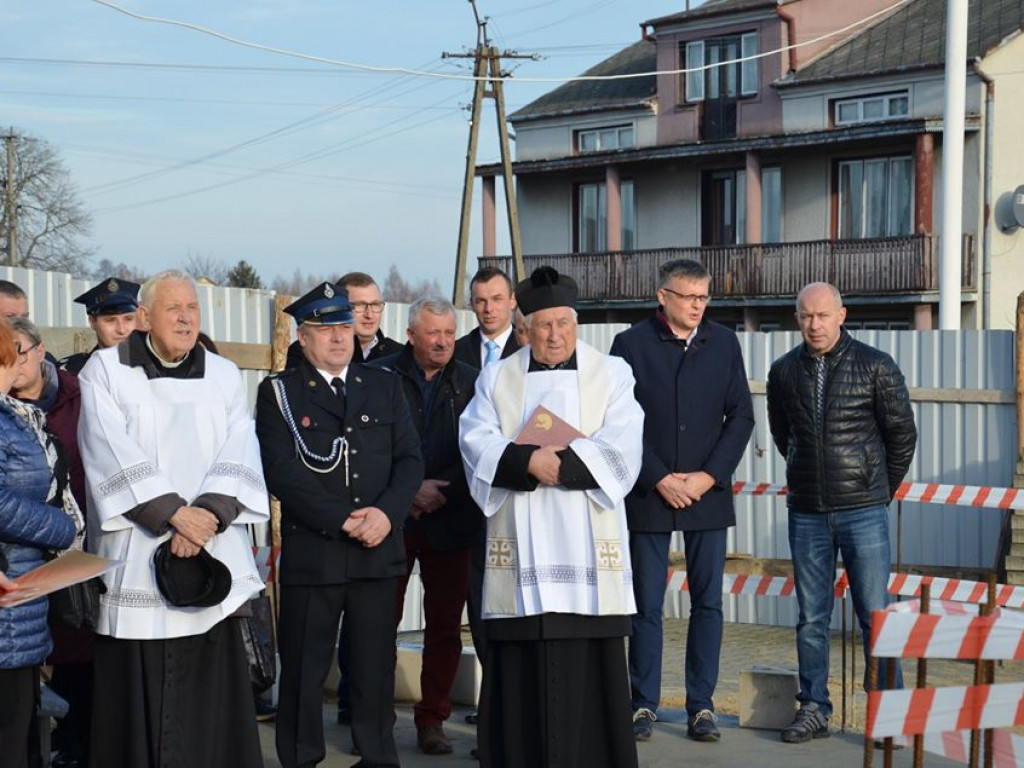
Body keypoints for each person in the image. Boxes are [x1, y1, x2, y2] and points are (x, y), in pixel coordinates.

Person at [77, 270, 269, 768]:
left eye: (192, 309)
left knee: (212, 690)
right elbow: (106, 450)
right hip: (141, 552)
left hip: (212, 545)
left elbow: (241, 448)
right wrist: (173, 517)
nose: (185, 318)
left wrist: (207, 515)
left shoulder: (224, 374)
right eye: (173, 309)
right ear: (144, 317)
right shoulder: (105, 371)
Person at [459, 266, 645, 768]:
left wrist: (560, 464)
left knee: (596, 674)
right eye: (543, 325)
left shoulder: (612, 373)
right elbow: (475, 439)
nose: (555, 334)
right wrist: (525, 462)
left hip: (588, 546)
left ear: (576, 321)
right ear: (525, 326)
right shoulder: (498, 376)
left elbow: (625, 441)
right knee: (518, 669)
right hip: (521, 550)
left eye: (564, 323)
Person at [256, 281, 423, 768]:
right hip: (317, 554)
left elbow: (410, 460)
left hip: (377, 551)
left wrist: (386, 514)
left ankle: (378, 757)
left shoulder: (385, 385)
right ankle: (301, 759)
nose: (338, 338)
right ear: (302, 338)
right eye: (324, 330)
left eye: (344, 327)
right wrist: (343, 521)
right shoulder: (280, 393)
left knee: (374, 672)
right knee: (306, 673)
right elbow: (281, 471)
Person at [609, 259, 754, 743]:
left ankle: (701, 705)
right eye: (688, 296)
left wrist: (709, 476)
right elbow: (618, 422)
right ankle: (642, 703)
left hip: (705, 494)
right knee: (646, 603)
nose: (697, 305)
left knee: (708, 603)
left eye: (703, 297)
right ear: (663, 296)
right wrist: (658, 477)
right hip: (650, 494)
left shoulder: (724, 343)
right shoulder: (629, 345)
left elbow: (741, 418)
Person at [767, 282, 916, 743]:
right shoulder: (782, 372)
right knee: (812, 617)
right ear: (798, 318)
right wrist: (805, 476)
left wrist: (876, 490)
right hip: (807, 512)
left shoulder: (876, 365)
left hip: (864, 511)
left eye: (823, 315)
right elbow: (782, 433)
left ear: (842, 315)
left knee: (876, 614)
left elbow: (902, 436)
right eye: (806, 316)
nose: (814, 324)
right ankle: (814, 708)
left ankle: (888, 715)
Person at [374, 297, 480, 756]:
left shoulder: (474, 382)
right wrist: (410, 488)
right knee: (379, 623)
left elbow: (479, 447)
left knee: (443, 626)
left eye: (449, 334)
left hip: (451, 517)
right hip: (392, 519)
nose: (442, 342)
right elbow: (369, 446)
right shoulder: (379, 376)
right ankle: (375, 720)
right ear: (411, 334)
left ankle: (432, 720)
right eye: (433, 334)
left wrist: (443, 489)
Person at [9, 317, 93, 767]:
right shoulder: (8, 414)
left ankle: (79, 745)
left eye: (18, 349)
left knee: (81, 652)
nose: (12, 362)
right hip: (22, 563)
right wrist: (60, 528)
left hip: (76, 557)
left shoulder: (80, 394)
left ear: (41, 351)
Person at [285, 271, 401, 372]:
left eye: (375, 304)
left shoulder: (398, 354)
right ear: (339, 307)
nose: (369, 314)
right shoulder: (307, 351)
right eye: (359, 305)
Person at [59, 277, 139, 374]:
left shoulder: (154, 368)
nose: (121, 330)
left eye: (128, 319)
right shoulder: (71, 372)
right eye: (111, 320)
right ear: (92, 322)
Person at [453, 267, 520, 369]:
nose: (488, 309)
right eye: (481, 301)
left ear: (512, 301)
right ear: (472, 304)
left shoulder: (528, 349)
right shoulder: (456, 352)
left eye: (497, 299)